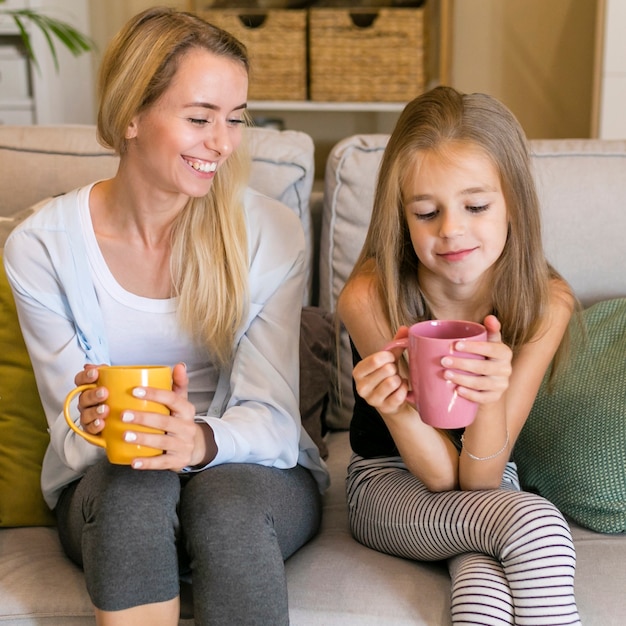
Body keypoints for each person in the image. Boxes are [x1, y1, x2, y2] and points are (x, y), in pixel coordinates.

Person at [4, 7, 328, 626]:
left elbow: (274, 421)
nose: (223, 143)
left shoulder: (268, 233)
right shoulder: (41, 247)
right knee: (134, 488)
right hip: (111, 481)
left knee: (225, 508)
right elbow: (70, 437)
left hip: (248, 474)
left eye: (235, 120)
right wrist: (98, 425)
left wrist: (201, 439)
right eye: (200, 118)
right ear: (131, 114)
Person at [337, 86, 581, 625]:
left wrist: (491, 396)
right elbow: (441, 480)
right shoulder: (369, 296)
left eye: (475, 206)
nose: (450, 230)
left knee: (485, 586)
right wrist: (398, 407)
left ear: (513, 201)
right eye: (426, 212)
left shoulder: (545, 302)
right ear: (401, 217)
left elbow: (483, 480)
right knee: (535, 526)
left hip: (491, 480)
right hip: (387, 482)